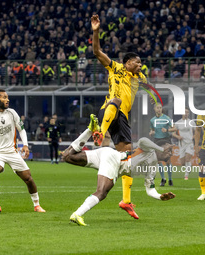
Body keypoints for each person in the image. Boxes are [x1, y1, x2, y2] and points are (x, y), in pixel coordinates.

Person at [63, 115, 176, 226]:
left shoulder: (152, 168)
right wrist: (161, 148)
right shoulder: (149, 150)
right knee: (101, 192)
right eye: (169, 149)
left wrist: (160, 197)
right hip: (114, 161)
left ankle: (89, 130)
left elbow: (150, 190)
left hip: (108, 155)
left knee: (68, 156)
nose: (170, 153)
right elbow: (142, 140)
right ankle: (77, 214)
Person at [91, 14, 147, 219]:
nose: (140, 65)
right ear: (128, 62)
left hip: (122, 118)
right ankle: (100, 132)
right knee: (115, 101)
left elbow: (147, 85)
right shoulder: (115, 67)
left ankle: (126, 200)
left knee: (127, 158)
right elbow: (97, 51)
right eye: (137, 62)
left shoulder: (139, 77)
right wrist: (96, 31)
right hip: (109, 109)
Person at [0, 89, 46, 213]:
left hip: (13, 152)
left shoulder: (12, 113)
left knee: (28, 178)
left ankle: (37, 205)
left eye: (7, 97)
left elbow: (21, 129)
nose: (7, 100)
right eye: (4, 97)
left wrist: (25, 145)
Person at [149, 103, 175, 186]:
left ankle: (170, 179)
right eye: (157, 108)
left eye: (160, 108)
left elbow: (174, 128)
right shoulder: (152, 120)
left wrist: (167, 130)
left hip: (166, 140)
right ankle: (163, 179)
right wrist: (151, 132)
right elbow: (152, 130)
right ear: (154, 109)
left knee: (167, 160)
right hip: (157, 140)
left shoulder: (167, 118)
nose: (159, 109)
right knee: (159, 161)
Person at [173, 108, 195, 180]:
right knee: (182, 163)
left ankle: (186, 176)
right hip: (182, 144)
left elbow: (197, 131)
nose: (186, 114)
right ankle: (190, 166)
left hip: (190, 143)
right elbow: (173, 133)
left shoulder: (191, 122)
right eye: (185, 112)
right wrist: (178, 136)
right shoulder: (178, 123)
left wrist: (193, 137)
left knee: (187, 159)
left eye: (187, 112)